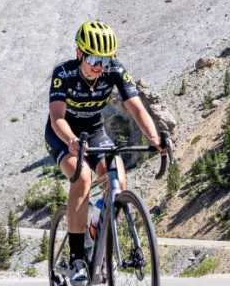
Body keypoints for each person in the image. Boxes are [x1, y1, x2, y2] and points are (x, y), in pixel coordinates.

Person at [46, 21, 165, 286]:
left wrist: (154, 137)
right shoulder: (63, 74)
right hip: (63, 135)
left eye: (105, 59)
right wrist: (72, 140)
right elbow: (56, 118)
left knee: (117, 180)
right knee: (83, 178)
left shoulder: (115, 70)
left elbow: (136, 108)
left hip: (95, 132)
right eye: (93, 58)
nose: (99, 65)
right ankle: (77, 258)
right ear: (79, 53)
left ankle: (95, 226)